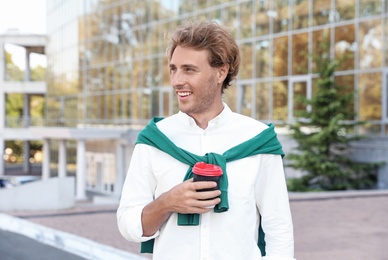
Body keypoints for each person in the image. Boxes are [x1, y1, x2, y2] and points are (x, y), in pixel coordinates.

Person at [117, 20, 295, 260]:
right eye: (173, 69)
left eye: (189, 69)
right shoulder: (155, 140)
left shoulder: (257, 140)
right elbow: (128, 225)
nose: (176, 80)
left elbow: (279, 228)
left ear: (221, 71)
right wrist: (167, 202)